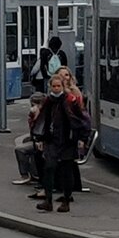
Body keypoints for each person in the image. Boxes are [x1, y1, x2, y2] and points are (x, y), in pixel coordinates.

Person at [31, 72, 90, 213]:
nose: (56, 89)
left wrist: (82, 138)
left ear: (63, 87)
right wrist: (40, 138)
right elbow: (43, 121)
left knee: (66, 171)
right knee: (49, 168)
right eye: (54, 86)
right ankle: (48, 200)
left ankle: (66, 200)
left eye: (59, 86)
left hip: (68, 140)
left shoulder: (70, 100)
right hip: (52, 140)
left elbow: (81, 119)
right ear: (50, 87)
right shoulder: (49, 101)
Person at [13, 92, 47, 186]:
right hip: (38, 141)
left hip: (45, 142)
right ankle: (33, 174)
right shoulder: (33, 115)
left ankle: (26, 175)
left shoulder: (46, 115)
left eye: (36, 104)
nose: (33, 107)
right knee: (28, 145)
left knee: (20, 149)